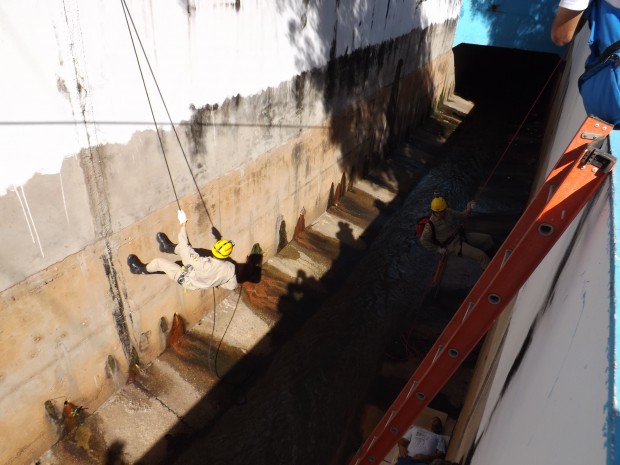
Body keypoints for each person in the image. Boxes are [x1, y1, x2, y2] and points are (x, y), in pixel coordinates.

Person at [127, 209, 238, 291]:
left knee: (159, 262)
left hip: (187, 280)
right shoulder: (230, 269)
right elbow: (232, 286)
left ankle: (140, 269)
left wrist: (183, 224)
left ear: (214, 248)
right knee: (184, 249)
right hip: (199, 283)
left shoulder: (200, 263)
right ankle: (166, 247)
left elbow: (185, 247)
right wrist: (216, 282)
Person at [419, 196, 494, 270]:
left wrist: (469, 208)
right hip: (452, 245)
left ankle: (492, 258)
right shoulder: (430, 225)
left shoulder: (448, 212)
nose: (441, 214)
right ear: (433, 211)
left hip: (461, 235)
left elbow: (462, 216)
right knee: (481, 256)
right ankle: (490, 272)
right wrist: (437, 249)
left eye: (442, 211)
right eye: (438, 212)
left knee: (487, 239)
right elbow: (423, 240)